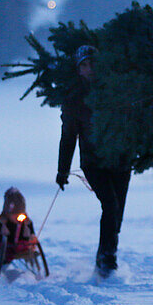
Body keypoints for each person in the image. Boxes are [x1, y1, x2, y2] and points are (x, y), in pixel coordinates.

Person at [56, 44, 132, 277]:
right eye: (85, 65)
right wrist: (62, 171)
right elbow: (68, 137)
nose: (90, 69)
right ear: (79, 70)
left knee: (117, 212)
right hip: (93, 163)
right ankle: (108, 259)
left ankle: (104, 255)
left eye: (93, 63)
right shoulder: (74, 100)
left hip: (120, 160)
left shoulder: (116, 91)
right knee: (110, 205)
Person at [0, 186, 37, 255]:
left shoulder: (26, 223)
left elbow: (31, 235)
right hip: (5, 248)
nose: (17, 218)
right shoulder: (2, 223)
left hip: (21, 247)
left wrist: (32, 238)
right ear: (8, 214)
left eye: (20, 215)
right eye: (14, 214)